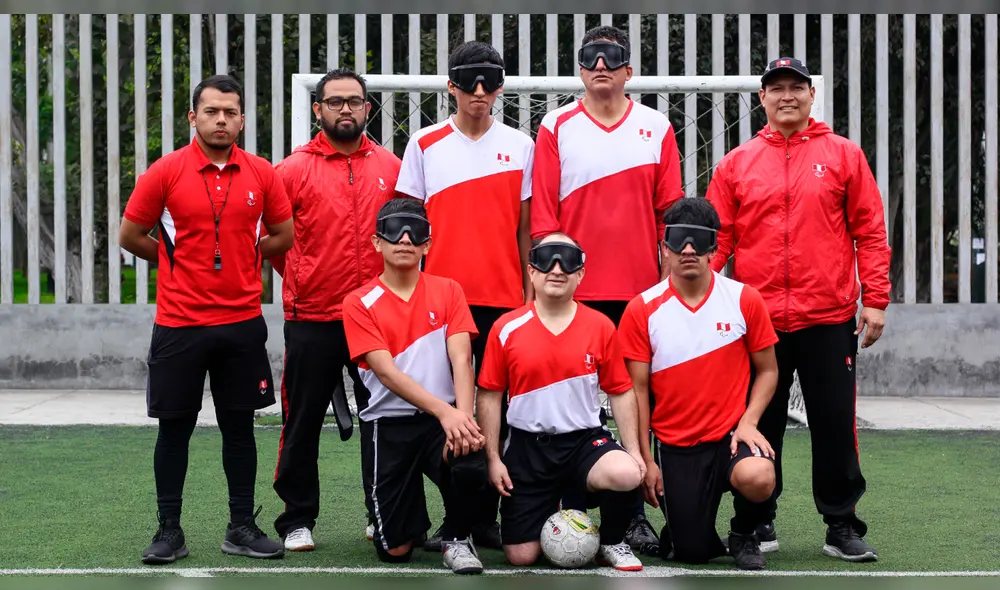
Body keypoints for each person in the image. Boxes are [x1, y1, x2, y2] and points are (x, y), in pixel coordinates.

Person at [705, 57, 891, 562]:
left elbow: (869, 232)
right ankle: (757, 521)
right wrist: (696, 300)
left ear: (812, 96)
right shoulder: (736, 163)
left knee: (834, 424)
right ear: (762, 99)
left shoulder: (844, 156)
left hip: (828, 317)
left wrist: (874, 299)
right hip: (756, 320)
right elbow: (717, 239)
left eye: (795, 88)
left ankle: (842, 524)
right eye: (776, 89)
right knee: (756, 424)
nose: (786, 96)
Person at [119, 74, 294, 564]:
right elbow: (131, 234)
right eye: (212, 111)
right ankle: (169, 530)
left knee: (239, 429)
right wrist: (174, 262)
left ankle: (241, 526)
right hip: (179, 325)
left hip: (241, 323)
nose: (222, 119)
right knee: (174, 429)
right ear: (193, 117)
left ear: (242, 119)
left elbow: (283, 234)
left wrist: (247, 255)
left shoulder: (262, 173)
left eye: (231, 112)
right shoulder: (167, 171)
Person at [530, 24, 685, 554]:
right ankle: (563, 506)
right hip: (572, 293)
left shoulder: (656, 125)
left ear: (628, 70)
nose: (600, 64)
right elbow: (543, 219)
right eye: (590, 57)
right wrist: (553, 289)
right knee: (570, 404)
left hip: (640, 295)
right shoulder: (555, 126)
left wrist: (668, 286)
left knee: (637, 404)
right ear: (580, 68)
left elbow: (671, 216)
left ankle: (634, 511)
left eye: (611, 56)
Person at [395, 40, 534, 551]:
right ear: (450, 85)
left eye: (491, 81)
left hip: (505, 302)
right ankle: (448, 520)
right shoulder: (424, 143)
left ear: (500, 87)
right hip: (441, 304)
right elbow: (406, 230)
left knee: (494, 413)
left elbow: (525, 232)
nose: (480, 92)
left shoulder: (521, 145)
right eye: (469, 81)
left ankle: (484, 519)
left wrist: (528, 297)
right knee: (443, 413)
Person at [267, 69, 401, 552]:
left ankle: (380, 511)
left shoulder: (390, 165)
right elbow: (271, 239)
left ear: (368, 108)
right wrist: (302, 279)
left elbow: (404, 238)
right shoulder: (292, 169)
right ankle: (297, 519)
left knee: (385, 418)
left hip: (377, 320)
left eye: (355, 101)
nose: (346, 109)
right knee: (301, 422)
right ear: (318, 109)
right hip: (313, 317)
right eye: (335, 102)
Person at [617, 197, 779, 570]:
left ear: (714, 249)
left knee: (759, 475)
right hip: (677, 444)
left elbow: (769, 370)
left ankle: (744, 531)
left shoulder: (743, 300)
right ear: (665, 247)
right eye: (678, 240)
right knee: (691, 552)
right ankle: (687, 527)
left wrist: (749, 421)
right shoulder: (642, 308)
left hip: (730, 437)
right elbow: (636, 391)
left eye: (698, 241)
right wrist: (644, 459)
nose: (688, 249)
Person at [476, 232, 646, 572]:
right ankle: (557, 510)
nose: (557, 268)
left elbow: (621, 390)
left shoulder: (600, 326)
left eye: (567, 260)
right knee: (521, 556)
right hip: (528, 448)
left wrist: (634, 449)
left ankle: (612, 541)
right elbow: (490, 395)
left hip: (584, 442)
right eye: (547, 259)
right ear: (531, 271)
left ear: (581, 273)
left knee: (626, 473)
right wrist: (493, 458)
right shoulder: (506, 328)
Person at [342, 197, 491, 574]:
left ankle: (457, 537)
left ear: (427, 244)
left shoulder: (448, 290)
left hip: (437, 424)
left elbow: (462, 358)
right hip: (387, 427)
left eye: (416, 232)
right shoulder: (359, 302)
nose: (405, 239)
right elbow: (386, 373)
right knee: (395, 550)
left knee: (470, 457)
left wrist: (461, 415)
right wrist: (447, 411)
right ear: (377, 242)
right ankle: (411, 521)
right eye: (394, 231)